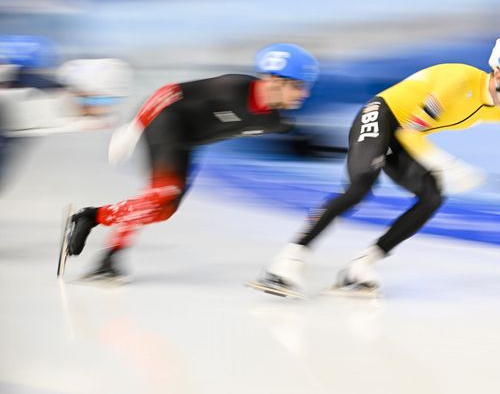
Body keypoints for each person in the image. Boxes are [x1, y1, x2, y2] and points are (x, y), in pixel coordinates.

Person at [253, 36, 500, 298]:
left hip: (404, 134)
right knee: (361, 185)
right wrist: (446, 164)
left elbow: (414, 132)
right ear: (499, 75)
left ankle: (360, 268)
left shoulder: (497, 114)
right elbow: (409, 131)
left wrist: (440, 167)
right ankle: (286, 262)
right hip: (381, 116)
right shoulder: (458, 80)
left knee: (432, 196)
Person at [63, 43, 319, 280]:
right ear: (274, 79)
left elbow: (297, 139)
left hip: (186, 142)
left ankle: (101, 237)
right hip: (165, 120)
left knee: (162, 209)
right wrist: (134, 128)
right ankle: (101, 236)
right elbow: (168, 92)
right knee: (162, 193)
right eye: (298, 86)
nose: (304, 94)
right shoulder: (234, 87)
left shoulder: (274, 121)